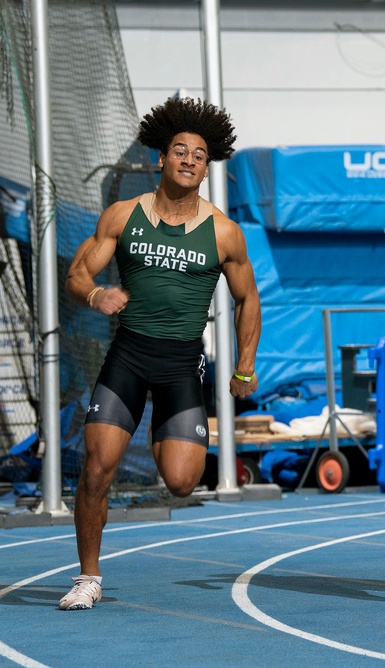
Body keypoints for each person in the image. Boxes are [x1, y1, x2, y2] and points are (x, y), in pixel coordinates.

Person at [59, 97, 261, 609]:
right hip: (127, 355)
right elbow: (79, 272)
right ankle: (87, 578)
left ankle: (159, 426)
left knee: (181, 481)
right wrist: (95, 295)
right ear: (161, 159)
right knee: (97, 470)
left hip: (179, 365)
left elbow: (247, 298)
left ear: (207, 166)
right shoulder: (123, 216)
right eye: (179, 151)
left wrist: (243, 365)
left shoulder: (223, 233)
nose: (189, 160)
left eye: (199, 154)